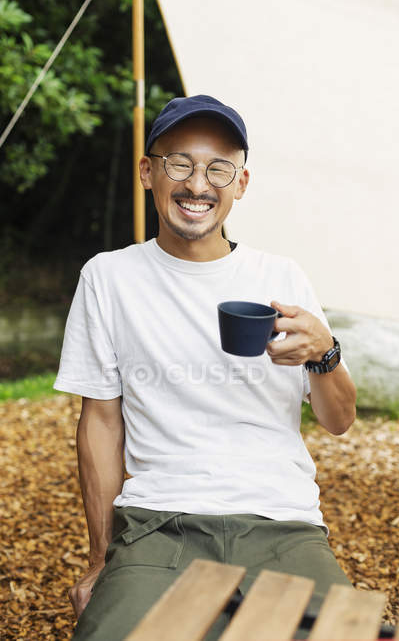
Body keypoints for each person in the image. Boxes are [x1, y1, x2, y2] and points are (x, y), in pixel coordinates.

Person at [53, 94, 357, 640]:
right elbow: (99, 421)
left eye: (219, 168)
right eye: (180, 163)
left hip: (283, 524)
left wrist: (324, 353)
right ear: (148, 172)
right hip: (156, 526)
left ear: (241, 183)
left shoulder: (281, 275)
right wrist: (100, 559)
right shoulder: (109, 277)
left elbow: (338, 420)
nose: (198, 184)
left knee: (349, 635)